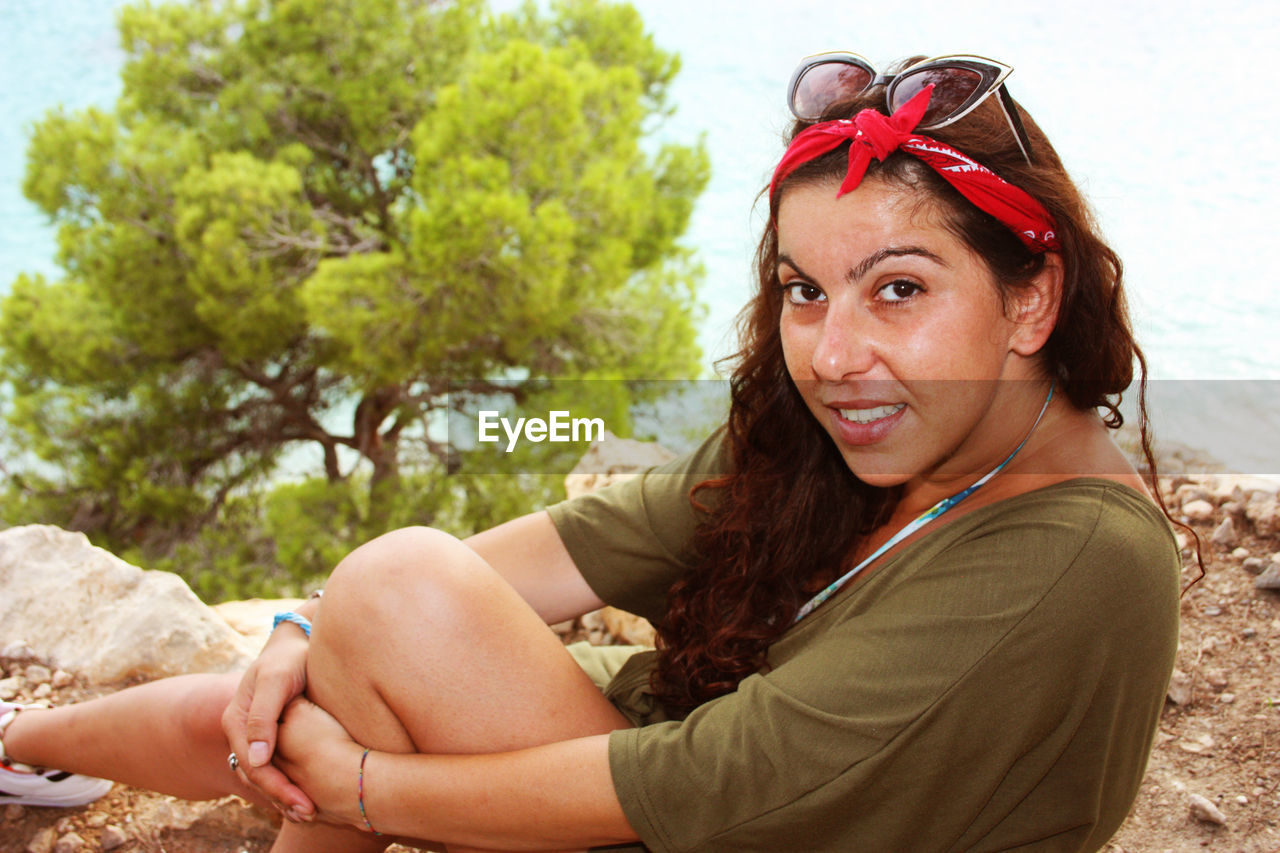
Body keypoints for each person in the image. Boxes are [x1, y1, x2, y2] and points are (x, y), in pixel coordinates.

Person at [0, 52, 1182, 852]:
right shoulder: (860, 438)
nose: (832, 352)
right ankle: (16, 747)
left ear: (1030, 302)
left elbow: (717, 782)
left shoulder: (1072, 551)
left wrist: (363, 784)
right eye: (803, 291)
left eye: (898, 289)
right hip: (691, 788)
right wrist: (299, 633)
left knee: (389, 598)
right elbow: (572, 547)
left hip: (723, 814)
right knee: (313, 662)